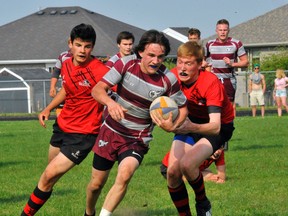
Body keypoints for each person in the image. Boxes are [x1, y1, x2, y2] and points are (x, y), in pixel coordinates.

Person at [84, 30, 188, 216]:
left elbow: (183, 108)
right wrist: (110, 103)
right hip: (111, 130)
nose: (156, 61)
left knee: (124, 175)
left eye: (160, 56)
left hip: (137, 138)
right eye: (151, 55)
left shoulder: (168, 79)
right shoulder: (126, 64)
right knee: (96, 184)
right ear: (140, 52)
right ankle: (89, 212)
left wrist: (173, 126)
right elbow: (98, 89)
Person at [20, 23, 110, 216]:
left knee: (47, 177)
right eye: (78, 45)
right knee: (48, 178)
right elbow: (67, 89)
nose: (82, 50)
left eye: (87, 46)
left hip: (83, 134)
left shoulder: (99, 70)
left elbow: (115, 94)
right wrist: (48, 108)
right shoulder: (67, 64)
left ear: (92, 47)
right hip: (62, 126)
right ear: (70, 43)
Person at [152, 41, 235, 216]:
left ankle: (203, 203)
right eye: (179, 62)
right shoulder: (173, 77)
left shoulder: (210, 82)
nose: (182, 68)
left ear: (200, 64)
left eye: (188, 63)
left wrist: (188, 126)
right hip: (190, 123)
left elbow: (215, 126)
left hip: (217, 128)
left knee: (188, 165)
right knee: (172, 172)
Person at [205, 19, 249, 116]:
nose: (222, 32)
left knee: (229, 106)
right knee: (213, 105)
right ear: (216, 31)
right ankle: (214, 127)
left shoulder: (236, 43)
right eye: (220, 30)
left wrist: (232, 64)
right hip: (214, 79)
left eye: (225, 30)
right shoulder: (209, 44)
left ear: (228, 30)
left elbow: (245, 62)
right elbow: (203, 61)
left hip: (229, 79)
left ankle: (228, 127)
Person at [160, 148, 226, 184]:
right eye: (216, 148)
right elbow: (186, 167)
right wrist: (206, 178)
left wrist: (219, 178)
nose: (218, 152)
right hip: (169, 168)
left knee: (209, 172)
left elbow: (221, 177)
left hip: (190, 167)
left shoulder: (219, 153)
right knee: (208, 175)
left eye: (220, 147)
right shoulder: (199, 150)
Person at [49, 49, 72, 116]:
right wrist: (52, 87)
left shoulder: (86, 57)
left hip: (80, 92)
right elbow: (56, 72)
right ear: (70, 43)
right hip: (65, 91)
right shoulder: (63, 56)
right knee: (60, 118)